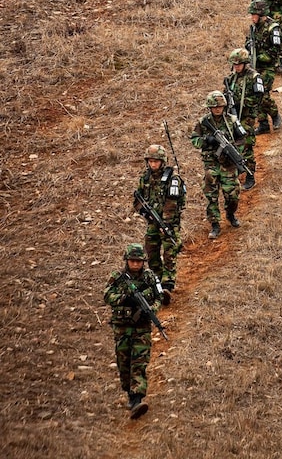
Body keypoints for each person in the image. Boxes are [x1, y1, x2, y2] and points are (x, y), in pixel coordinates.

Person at [104, 243, 164, 419]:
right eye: (132, 261)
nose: (136, 264)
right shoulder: (117, 277)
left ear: (143, 262)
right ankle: (129, 393)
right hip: (121, 328)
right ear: (127, 260)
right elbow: (107, 295)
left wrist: (151, 310)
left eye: (139, 261)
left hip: (142, 328)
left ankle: (137, 399)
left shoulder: (150, 277)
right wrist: (124, 299)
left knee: (139, 362)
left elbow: (159, 297)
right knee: (124, 363)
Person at [133, 143, 186, 306]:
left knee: (170, 252)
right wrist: (145, 213)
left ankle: (167, 284)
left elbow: (172, 203)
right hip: (153, 223)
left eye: (155, 161)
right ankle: (157, 282)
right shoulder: (145, 178)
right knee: (151, 252)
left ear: (162, 161)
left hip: (169, 224)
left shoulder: (173, 179)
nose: (153, 164)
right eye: (150, 161)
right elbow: (137, 200)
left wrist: (165, 224)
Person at [190, 92, 244, 239]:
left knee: (232, 195)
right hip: (211, 164)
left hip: (229, 164)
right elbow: (194, 140)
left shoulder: (232, 120)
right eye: (214, 107)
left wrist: (232, 150)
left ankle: (230, 214)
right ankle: (215, 224)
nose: (218, 109)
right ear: (210, 107)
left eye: (220, 106)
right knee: (211, 196)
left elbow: (242, 138)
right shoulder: (203, 122)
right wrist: (207, 140)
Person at [224, 47, 265, 190]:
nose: (236, 67)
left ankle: (250, 175)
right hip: (233, 116)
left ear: (245, 63)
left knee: (246, 145)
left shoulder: (254, 77)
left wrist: (241, 103)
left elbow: (258, 98)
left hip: (247, 117)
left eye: (239, 64)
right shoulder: (231, 78)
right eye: (234, 64)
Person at [246, 0, 282, 135]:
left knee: (263, 94)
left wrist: (260, 57)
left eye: (254, 14)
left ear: (261, 14)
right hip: (254, 66)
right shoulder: (254, 28)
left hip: (268, 67)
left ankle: (275, 115)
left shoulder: (273, 28)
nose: (252, 17)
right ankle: (263, 123)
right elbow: (248, 43)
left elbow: (276, 50)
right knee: (255, 93)